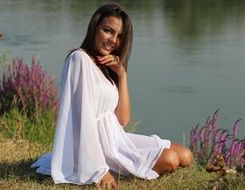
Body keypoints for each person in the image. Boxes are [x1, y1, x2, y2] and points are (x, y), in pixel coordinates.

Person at [32, 3, 193, 189]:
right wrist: (100, 170)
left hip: (116, 138)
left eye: (119, 36)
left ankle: (125, 158)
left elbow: (122, 120)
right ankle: (105, 163)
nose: (113, 40)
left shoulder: (107, 66)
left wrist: (122, 74)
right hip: (97, 147)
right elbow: (83, 121)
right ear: (94, 27)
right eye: (108, 31)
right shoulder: (79, 59)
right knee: (171, 160)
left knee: (185, 156)